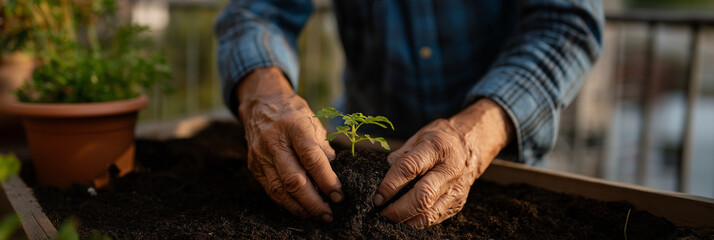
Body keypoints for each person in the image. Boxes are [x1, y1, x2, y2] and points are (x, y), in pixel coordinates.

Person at [214, 0, 603, 228]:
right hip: (365, 147)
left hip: (497, 157)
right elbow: (257, 11)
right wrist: (263, 96)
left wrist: (476, 135)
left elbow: (565, 26)